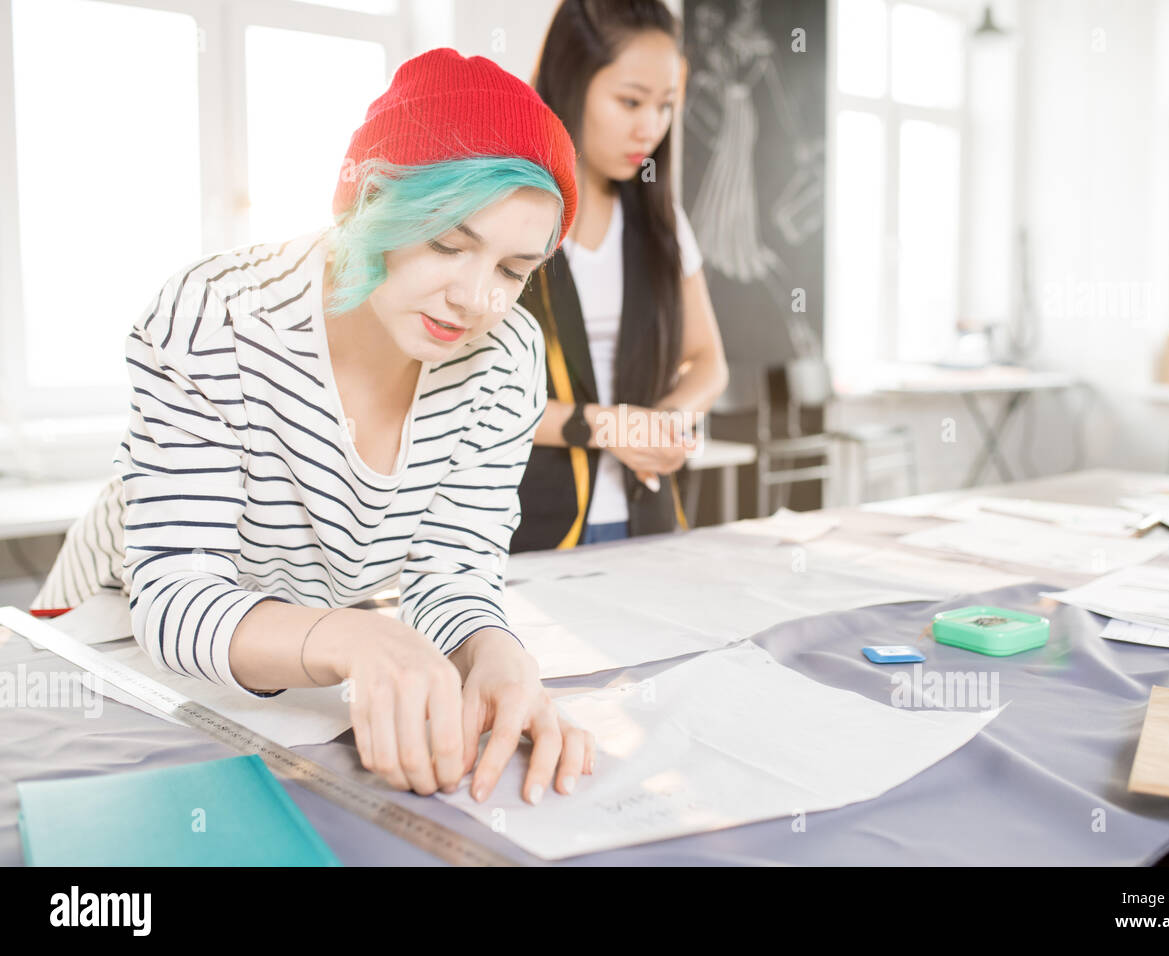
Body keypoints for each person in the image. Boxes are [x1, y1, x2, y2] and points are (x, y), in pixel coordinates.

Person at [30, 48, 594, 803]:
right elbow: (175, 595)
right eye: (447, 244)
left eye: (511, 269)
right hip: (107, 634)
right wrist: (358, 638)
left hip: (282, 658)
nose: (474, 299)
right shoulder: (215, 314)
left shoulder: (506, 359)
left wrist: (492, 654)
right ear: (369, 206)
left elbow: (453, 572)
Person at [511, 0, 730, 551]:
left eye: (665, 106)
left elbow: (709, 363)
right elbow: (476, 399)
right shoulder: (507, 215)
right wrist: (612, 427)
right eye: (630, 101)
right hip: (525, 530)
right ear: (571, 81)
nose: (650, 128)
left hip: (647, 524)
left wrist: (661, 423)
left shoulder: (659, 220)